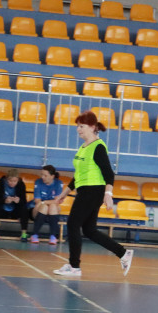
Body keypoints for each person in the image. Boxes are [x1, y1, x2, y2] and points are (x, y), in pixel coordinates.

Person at [53, 111, 133, 278]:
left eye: (81, 126)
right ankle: (123, 253)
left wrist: (108, 194)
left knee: (73, 223)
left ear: (92, 127)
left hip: (93, 190)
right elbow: (78, 176)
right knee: (89, 230)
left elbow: (109, 173)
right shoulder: (83, 148)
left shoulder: (98, 147)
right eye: (77, 126)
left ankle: (74, 267)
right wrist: (64, 194)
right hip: (85, 189)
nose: (78, 130)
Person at [0, 168, 29, 240]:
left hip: (14, 211)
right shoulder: (0, 183)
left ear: (18, 180)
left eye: (15, 181)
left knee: (24, 208)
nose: (12, 183)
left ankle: (24, 233)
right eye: (10, 181)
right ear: (7, 179)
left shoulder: (21, 185)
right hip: (2, 210)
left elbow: (24, 200)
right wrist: (4, 200)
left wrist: (18, 200)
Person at [29, 164, 63, 244]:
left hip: (52, 211)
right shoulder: (38, 182)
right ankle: (35, 235)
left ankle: (53, 236)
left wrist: (44, 202)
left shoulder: (58, 183)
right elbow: (37, 201)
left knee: (53, 206)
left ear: (52, 176)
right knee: (44, 207)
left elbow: (56, 201)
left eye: (45, 175)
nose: (42, 177)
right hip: (38, 211)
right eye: (42, 175)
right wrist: (45, 203)